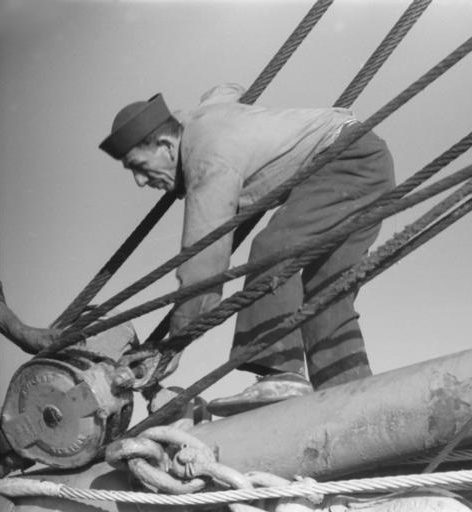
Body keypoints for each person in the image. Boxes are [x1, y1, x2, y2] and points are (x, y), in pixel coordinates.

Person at [99, 84, 395, 416]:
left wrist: (176, 344)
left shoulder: (208, 161)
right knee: (328, 290)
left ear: (167, 146)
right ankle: (348, 389)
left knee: (274, 249)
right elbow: (225, 91)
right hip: (369, 161)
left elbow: (204, 266)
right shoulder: (197, 118)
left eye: (139, 166)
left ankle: (279, 373)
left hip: (346, 162)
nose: (140, 181)